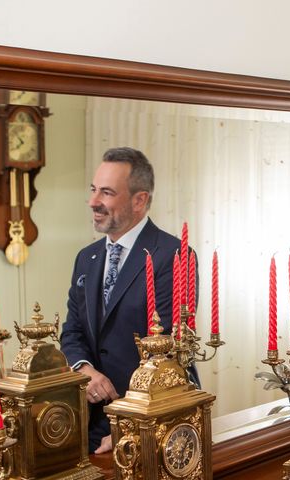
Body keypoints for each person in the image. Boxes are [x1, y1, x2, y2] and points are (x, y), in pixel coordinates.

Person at [60, 147, 199, 454]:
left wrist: (130, 424)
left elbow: (168, 350)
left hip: (155, 423)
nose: (94, 202)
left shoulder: (175, 256)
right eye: (94, 190)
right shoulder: (86, 258)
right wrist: (84, 370)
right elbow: (72, 332)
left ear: (139, 200)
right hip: (94, 423)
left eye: (106, 193)